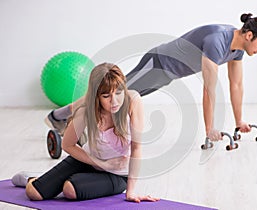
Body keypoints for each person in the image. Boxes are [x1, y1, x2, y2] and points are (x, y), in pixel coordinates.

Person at [45, 13, 257, 142]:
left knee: (116, 98)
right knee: (112, 97)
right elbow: (209, 90)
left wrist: (239, 121)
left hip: (167, 75)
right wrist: (209, 130)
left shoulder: (237, 50)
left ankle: (60, 116)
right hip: (157, 63)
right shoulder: (218, 40)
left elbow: (236, 85)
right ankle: (63, 118)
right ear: (249, 34)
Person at [12, 63, 159, 203]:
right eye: (106, 96)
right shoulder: (86, 110)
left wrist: (131, 191)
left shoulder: (133, 101)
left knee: (70, 189)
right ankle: (33, 178)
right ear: (96, 96)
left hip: (117, 173)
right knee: (34, 193)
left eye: (118, 92)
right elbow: (67, 144)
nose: (114, 101)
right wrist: (102, 164)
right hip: (88, 160)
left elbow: (136, 147)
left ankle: (69, 181)